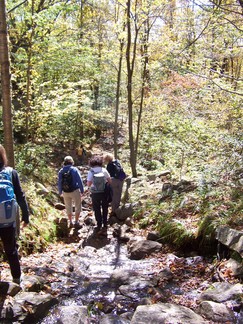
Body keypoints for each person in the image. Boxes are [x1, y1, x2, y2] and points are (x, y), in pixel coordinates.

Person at [0, 144, 29, 284]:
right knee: (11, 248)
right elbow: (20, 195)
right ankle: (17, 278)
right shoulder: (11, 172)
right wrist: (26, 215)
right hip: (7, 216)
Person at [58, 156, 84, 228]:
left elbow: (59, 182)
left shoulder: (61, 171)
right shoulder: (74, 169)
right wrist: (82, 190)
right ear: (72, 162)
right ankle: (76, 221)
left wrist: (60, 192)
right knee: (78, 206)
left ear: (64, 162)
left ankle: (70, 221)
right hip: (75, 190)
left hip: (65, 192)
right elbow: (79, 181)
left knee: (68, 207)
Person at [87, 155, 111, 231]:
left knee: (96, 208)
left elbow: (88, 184)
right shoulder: (104, 170)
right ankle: (105, 223)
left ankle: (99, 223)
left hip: (95, 193)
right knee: (105, 207)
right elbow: (110, 181)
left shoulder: (91, 171)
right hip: (104, 192)